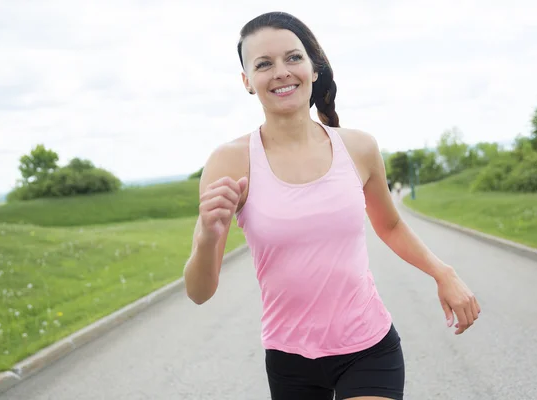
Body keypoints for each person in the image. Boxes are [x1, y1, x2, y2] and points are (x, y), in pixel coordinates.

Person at [183, 11, 481, 400]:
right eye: (263, 64)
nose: (281, 72)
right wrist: (208, 234)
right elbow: (199, 292)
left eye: (293, 57)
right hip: (289, 360)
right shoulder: (230, 161)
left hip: (369, 348)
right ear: (247, 82)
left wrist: (444, 273)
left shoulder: (358, 147)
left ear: (314, 67)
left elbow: (389, 226)